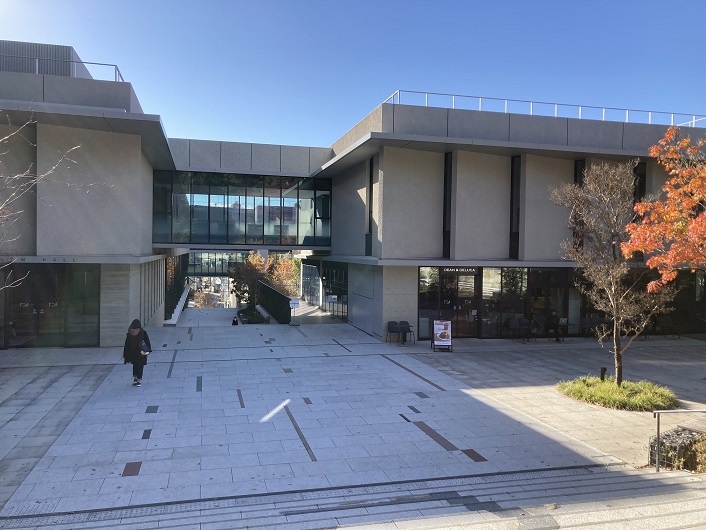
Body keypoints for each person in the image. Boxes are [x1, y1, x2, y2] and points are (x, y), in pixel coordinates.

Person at [123, 319, 151, 387]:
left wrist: (125, 354)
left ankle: (135, 379)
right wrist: (148, 350)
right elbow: (147, 342)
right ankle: (139, 380)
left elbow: (127, 345)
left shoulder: (130, 333)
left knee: (135, 365)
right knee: (140, 366)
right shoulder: (142, 332)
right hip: (141, 353)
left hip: (133, 353)